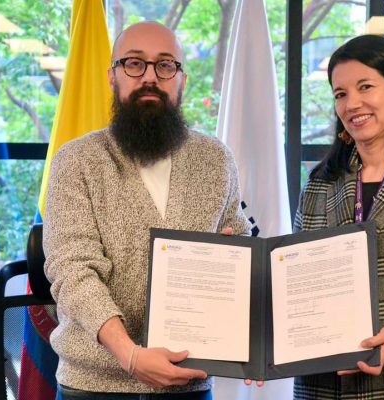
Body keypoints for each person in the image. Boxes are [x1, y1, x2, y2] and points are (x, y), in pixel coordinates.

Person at [43, 21, 251, 399]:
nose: (150, 77)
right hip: (95, 388)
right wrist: (131, 355)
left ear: (182, 79)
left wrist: (251, 346)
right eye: (134, 64)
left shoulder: (216, 159)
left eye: (166, 65)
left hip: (189, 384)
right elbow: (72, 270)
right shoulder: (76, 161)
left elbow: (239, 242)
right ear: (112, 76)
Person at [293, 34, 384, 399]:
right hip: (322, 385)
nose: (352, 104)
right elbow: (294, 283)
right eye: (340, 94)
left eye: (366, 87)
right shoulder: (319, 182)